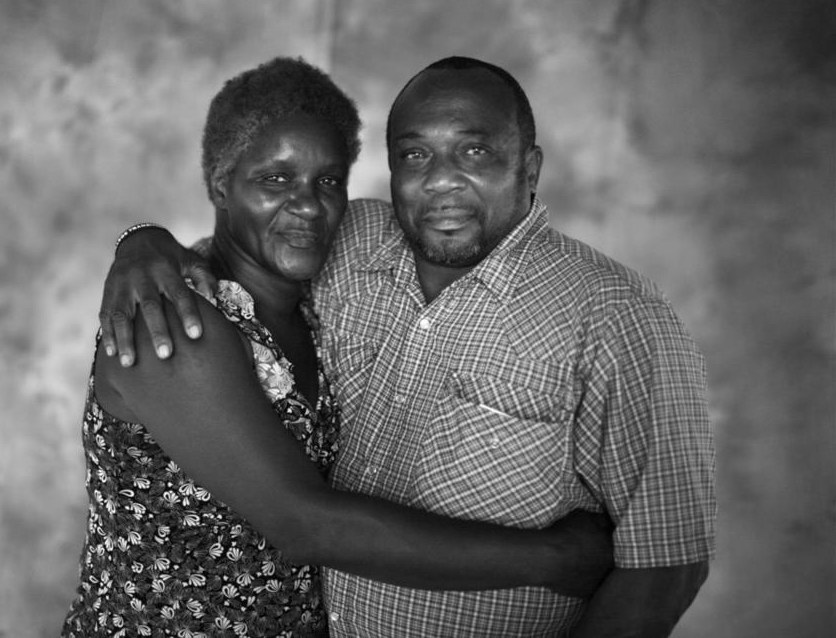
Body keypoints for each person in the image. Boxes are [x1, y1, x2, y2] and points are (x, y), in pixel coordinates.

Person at [100, 55, 716, 637]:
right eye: (416, 155)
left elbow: (666, 566)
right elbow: (303, 523)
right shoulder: (180, 315)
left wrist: (144, 239)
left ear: (528, 169)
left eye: (474, 150)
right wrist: (141, 239)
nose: (308, 204)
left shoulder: (618, 317)